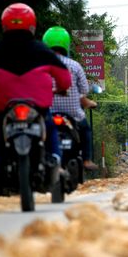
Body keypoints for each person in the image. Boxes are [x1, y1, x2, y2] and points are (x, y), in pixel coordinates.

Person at [0, 3, 72, 195]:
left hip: (4, 108)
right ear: (32, 27)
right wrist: (61, 88)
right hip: (38, 107)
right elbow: (64, 78)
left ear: (4, 26)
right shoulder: (42, 50)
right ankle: (55, 161)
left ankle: (0, 173)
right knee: (50, 127)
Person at [42, 26, 98, 170]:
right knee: (85, 130)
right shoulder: (74, 65)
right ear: (66, 45)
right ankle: (86, 160)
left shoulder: (42, 66)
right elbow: (84, 90)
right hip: (73, 112)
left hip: (48, 111)